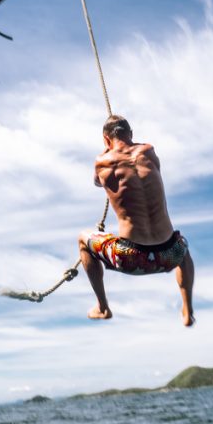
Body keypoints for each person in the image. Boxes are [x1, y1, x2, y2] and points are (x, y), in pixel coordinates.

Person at [78, 115, 195, 326]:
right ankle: (187, 310)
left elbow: (98, 182)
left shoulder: (102, 162)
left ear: (106, 139)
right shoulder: (149, 151)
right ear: (131, 134)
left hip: (131, 257)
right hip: (169, 255)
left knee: (82, 239)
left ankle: (103, 307)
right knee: (183, 248)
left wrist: (107, 151)